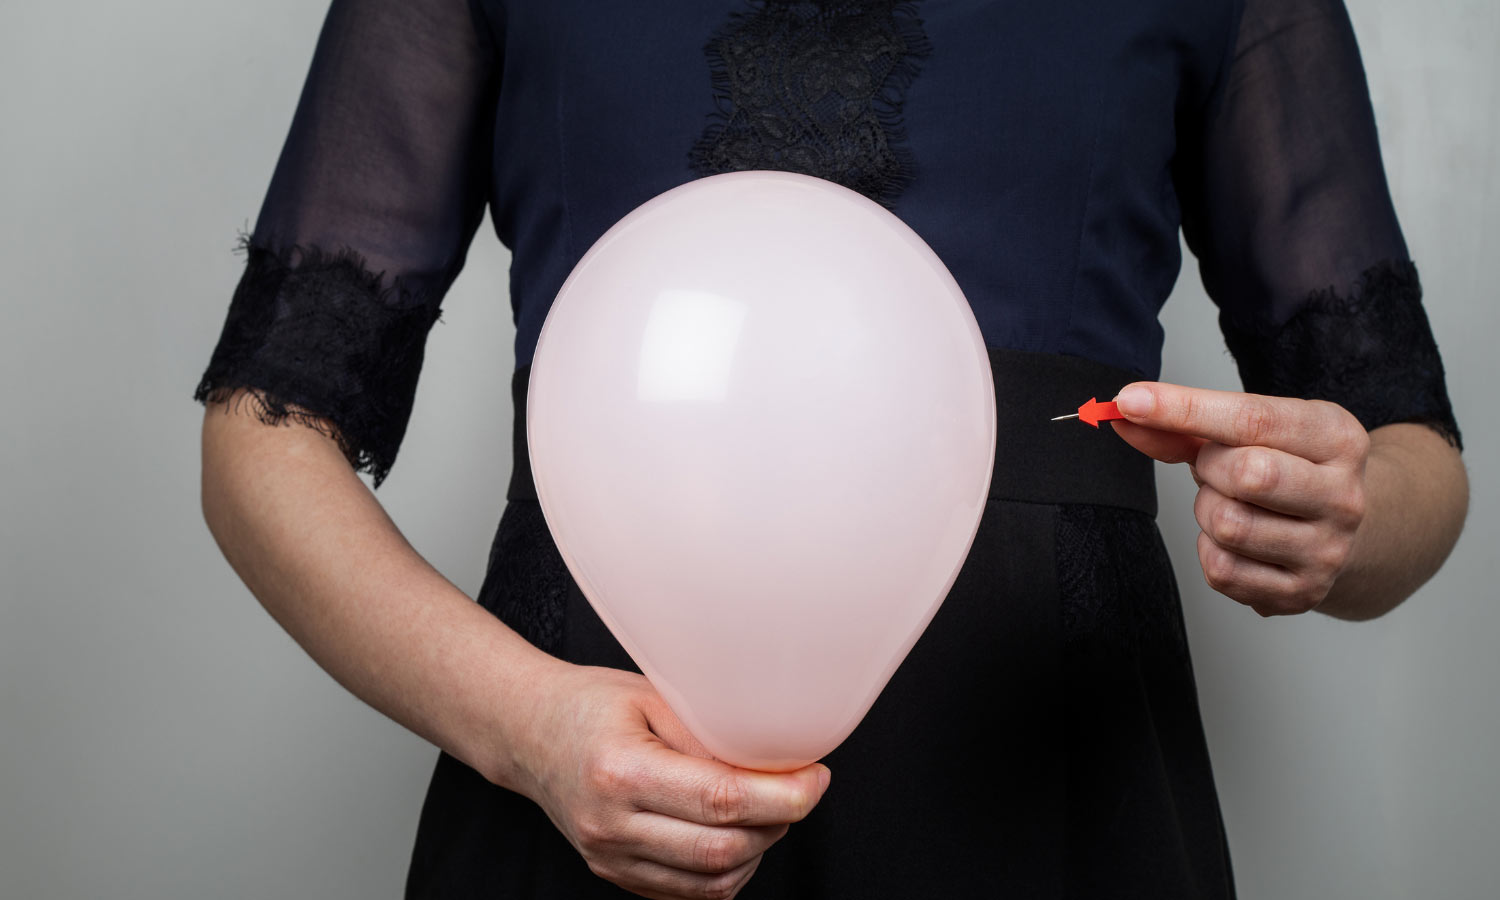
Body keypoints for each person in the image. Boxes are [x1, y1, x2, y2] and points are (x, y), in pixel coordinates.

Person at [195, 0, 1468, 897]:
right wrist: (527, 727)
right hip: (589, 776)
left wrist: (1341, 516)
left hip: (1056, 794)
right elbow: (265, 439)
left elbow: (1411, 459)